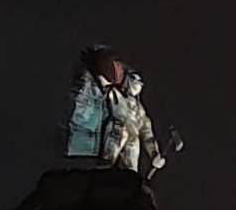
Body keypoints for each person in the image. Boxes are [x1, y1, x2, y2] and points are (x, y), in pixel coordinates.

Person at [63, 46, 166, 177]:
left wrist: (154, 153)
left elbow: (146, 129)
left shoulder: (132, 103)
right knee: (106, 177)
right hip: (108, 150)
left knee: (126, 179)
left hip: (128, 156)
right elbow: (82, 116)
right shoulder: (106, 96)